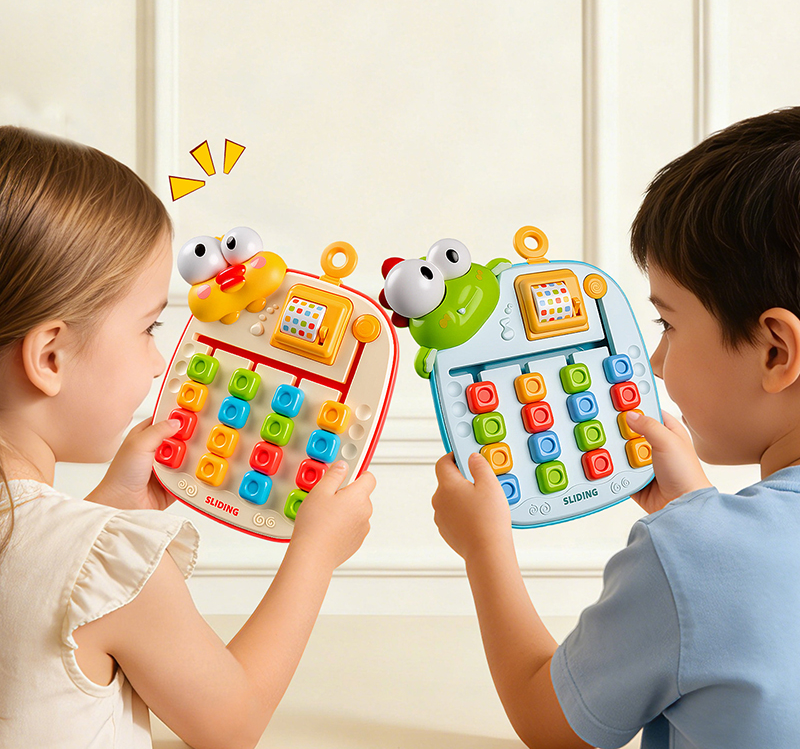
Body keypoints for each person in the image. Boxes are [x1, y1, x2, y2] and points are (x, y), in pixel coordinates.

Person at [432, 106, 800, 748]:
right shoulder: (705, 548)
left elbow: (552, 725)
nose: (654, 360)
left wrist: (484, 549)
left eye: (668, 324)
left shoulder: (688, 556)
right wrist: (698, 512)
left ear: (776, 351)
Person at [0, 126, 375, 749]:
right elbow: (231, 724)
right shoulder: (115, 567)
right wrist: (315, 554)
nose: (158, 364)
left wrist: (110, 508)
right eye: (149, 327)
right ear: (51, 357)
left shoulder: (81, 550)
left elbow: (36, 579)